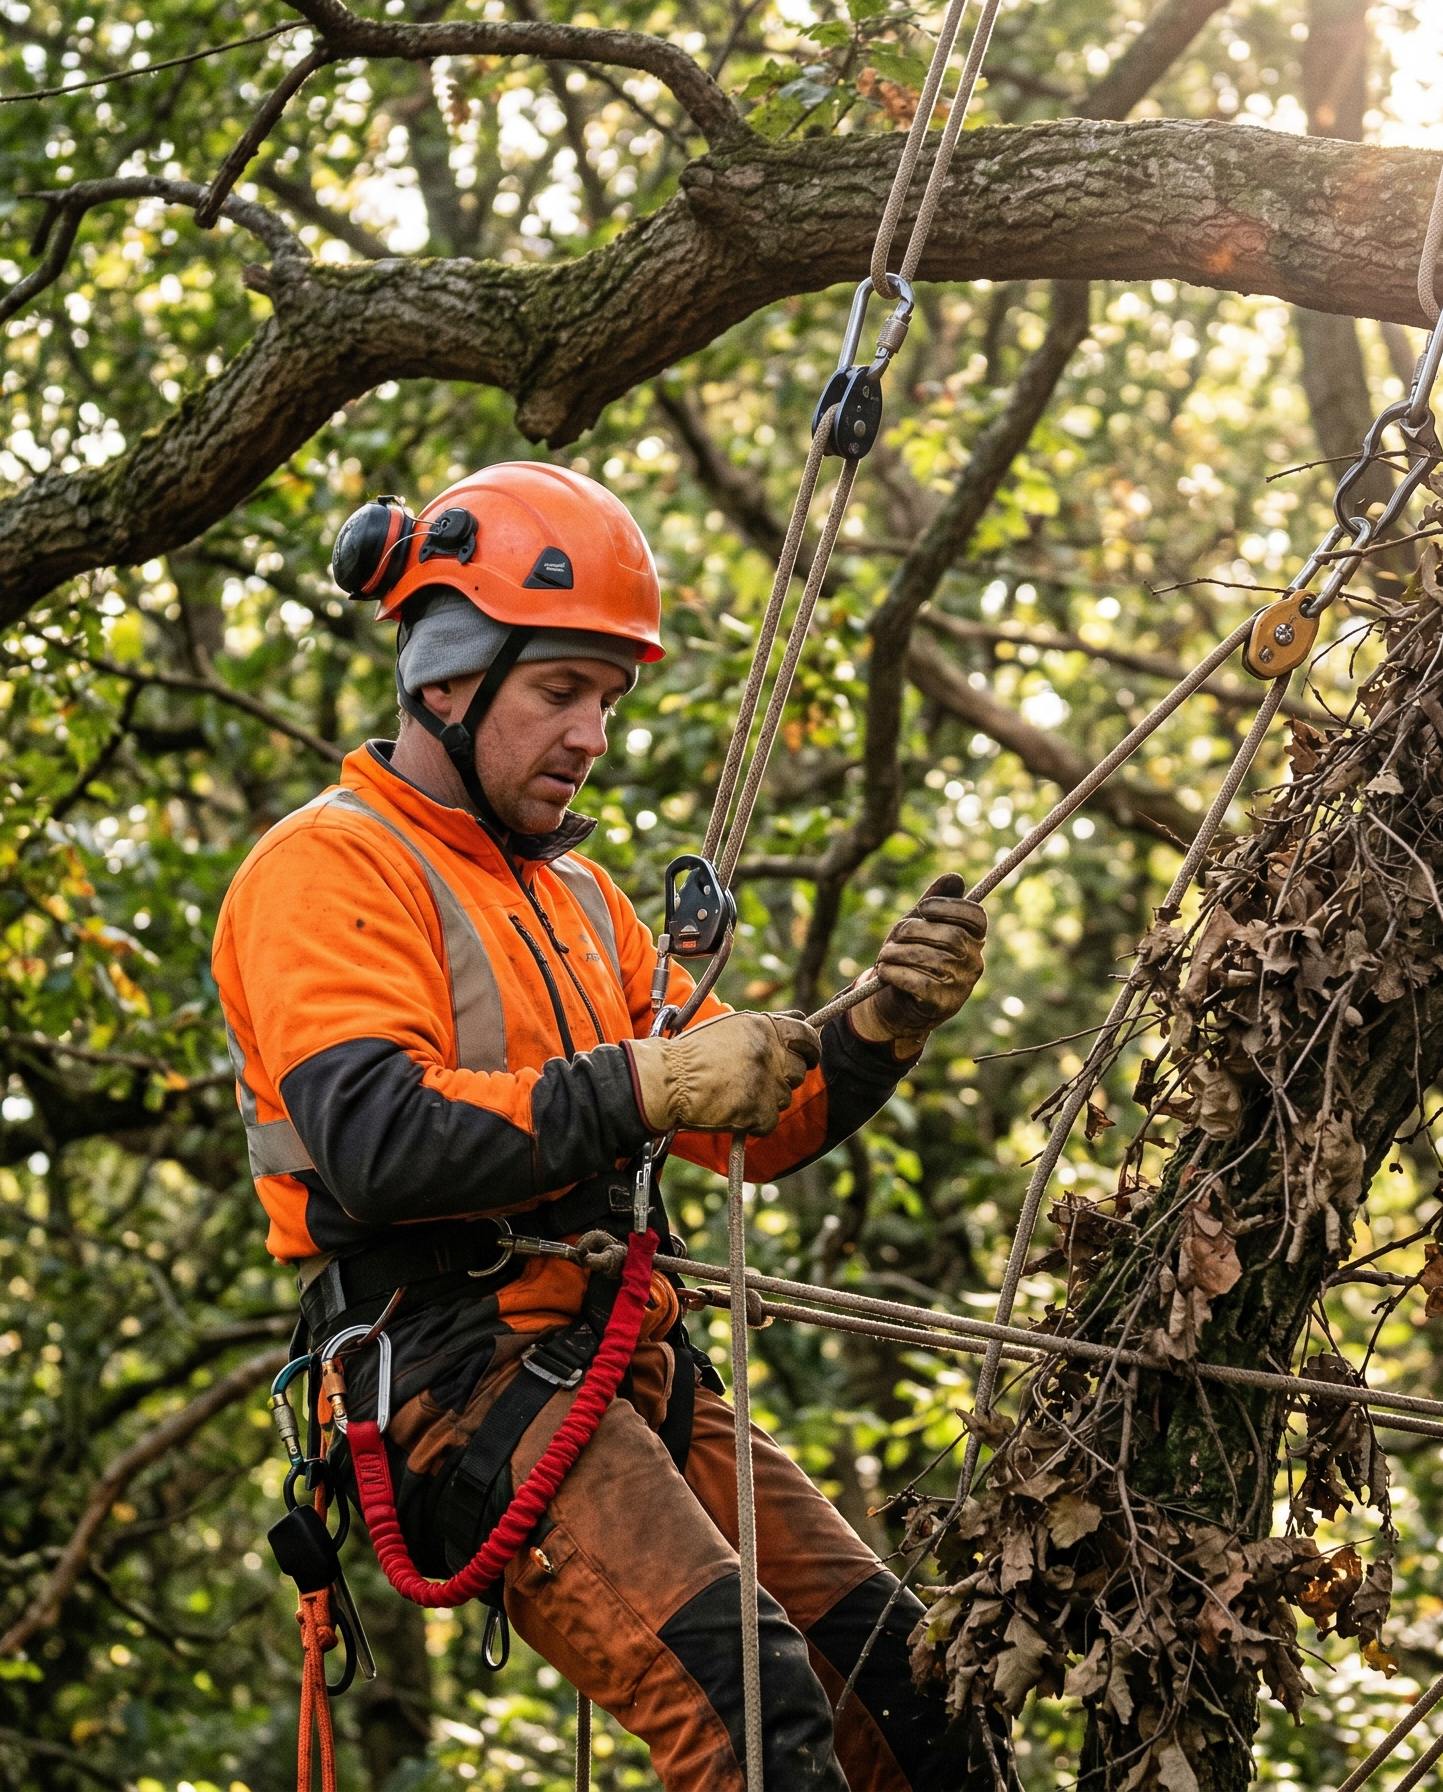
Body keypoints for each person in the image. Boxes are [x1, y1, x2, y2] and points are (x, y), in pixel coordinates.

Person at [212, 462, 989, 1791]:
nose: (592, 736)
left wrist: (876, 1030)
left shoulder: (584, 901)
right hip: (454, 1368)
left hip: (618, 1359)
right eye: (559, 691)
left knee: (910, 1682)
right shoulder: (328, 867)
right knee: (745, 1699)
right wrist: (650, 1084)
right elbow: (381, 1147)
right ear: (446, 681)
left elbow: (763, 1120)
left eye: (609, 699)